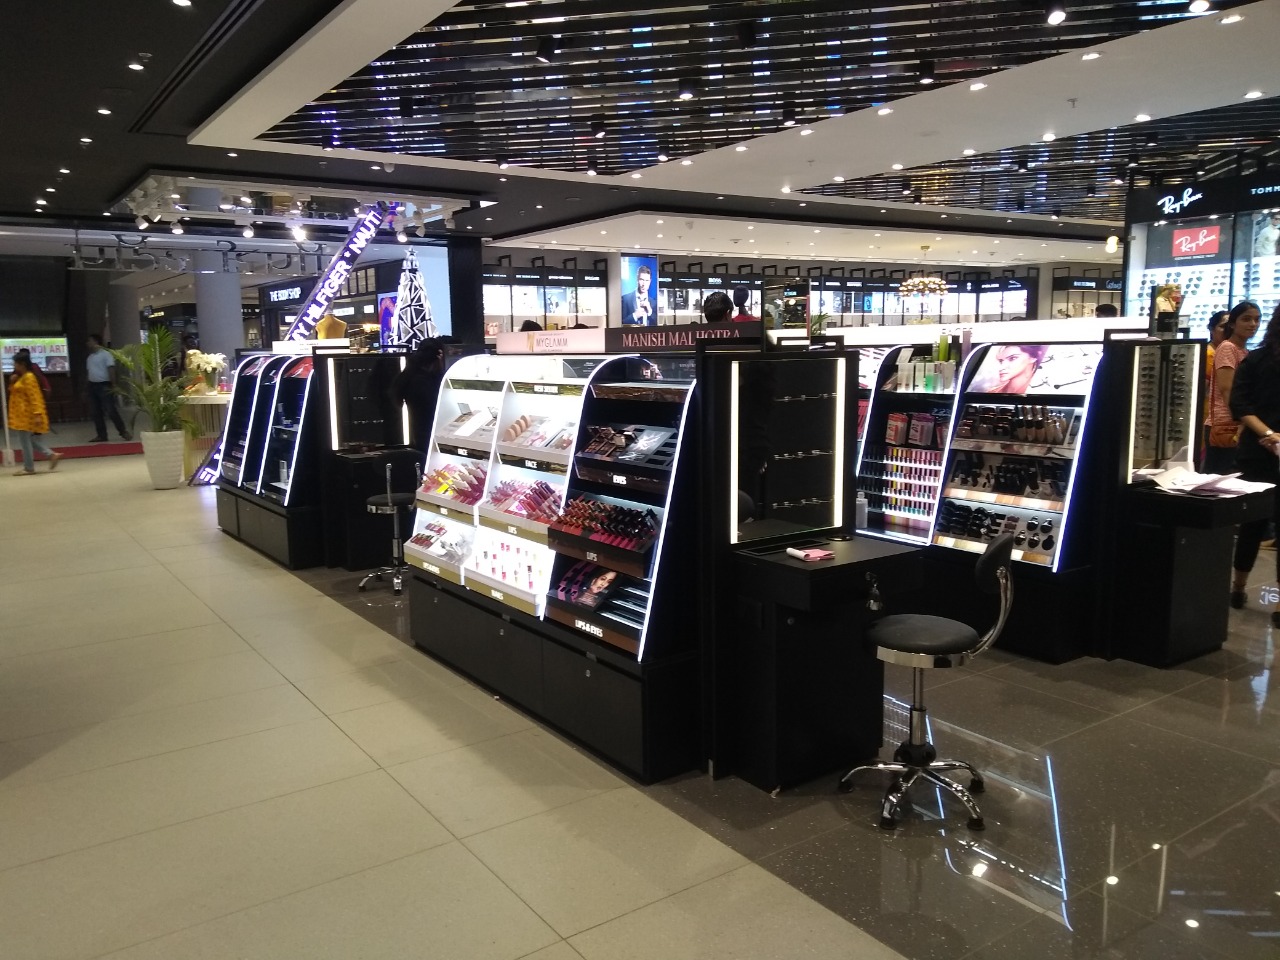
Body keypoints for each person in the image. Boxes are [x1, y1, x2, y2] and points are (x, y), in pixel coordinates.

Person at [1228, 304, 1280, 618]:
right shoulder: (1255, 360)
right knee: (1253, 523)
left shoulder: (1255, 359)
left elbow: (1241, 405)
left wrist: (1269, 434)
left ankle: (1238, 588)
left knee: (1252, 522)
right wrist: (1272, 435)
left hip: (1257, 448)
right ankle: (1241, 588)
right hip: (1259, 450)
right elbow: (1238, 404)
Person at [1204, 301, 1261, 475]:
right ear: (1233, 324)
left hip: (1237, 423)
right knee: (1219, 479)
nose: (1253, 324)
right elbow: (1226, 389)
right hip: (1226, 424)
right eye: (1246, 319)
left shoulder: (1244, 351)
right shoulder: (1228, 348)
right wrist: (1242, 420)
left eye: (1257, 319)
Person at [8, 354, 61, 475]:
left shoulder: (29, 377)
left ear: (22, 364)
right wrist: (12, 381)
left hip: (27, 415)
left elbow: (35, 397)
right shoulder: (22, 377)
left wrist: (37, 414)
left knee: (25, 441)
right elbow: (15, 391)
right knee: (29, 440)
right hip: (21, 414)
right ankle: (51, 455)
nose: (14, 366)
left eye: (15, 363)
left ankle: (29, 467)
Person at [390, 339, 445, 451]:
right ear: (439, 356)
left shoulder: (408, 376)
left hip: (419, 434)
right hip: (434, 434)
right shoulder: (430, 381)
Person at [85, 334, 130, 442]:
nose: (88, 343)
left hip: (104, 385)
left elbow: (111, 369)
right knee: (96, 412)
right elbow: (89, 372)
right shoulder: (90, 357)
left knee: (110, 410)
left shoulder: (106, 354)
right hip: (92, 385)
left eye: (90, 341)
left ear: (96, 342)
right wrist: (87, 387)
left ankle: (123, 431)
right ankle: (102, 435)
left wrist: (113, 384)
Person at [1201, 310, 1230, 444]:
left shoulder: (1225, 352)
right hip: (1209, 417)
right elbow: (1202, 390)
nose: (1227, 330)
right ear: (1211, 329)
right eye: (1223, 326)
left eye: (1230, 326)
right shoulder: (1209, 355)